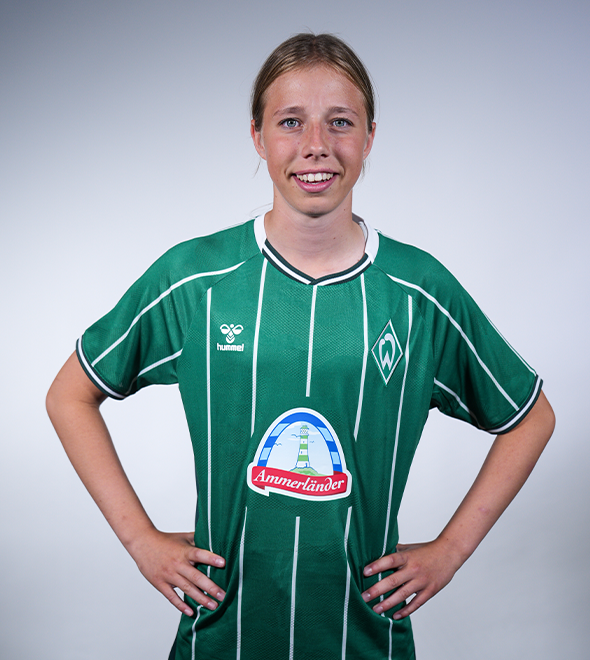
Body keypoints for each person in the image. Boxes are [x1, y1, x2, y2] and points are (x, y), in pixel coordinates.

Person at [46, 33, 555, 660]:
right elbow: (69, 395)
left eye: (340, 122)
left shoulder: (418, 292)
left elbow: (531, 417)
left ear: (369, 137)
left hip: (362, 638)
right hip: (222, 636)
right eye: (291, 122)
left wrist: (450, 551)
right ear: (258, 138)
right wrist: (140, 541)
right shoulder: (195, 279)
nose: (317, 144)